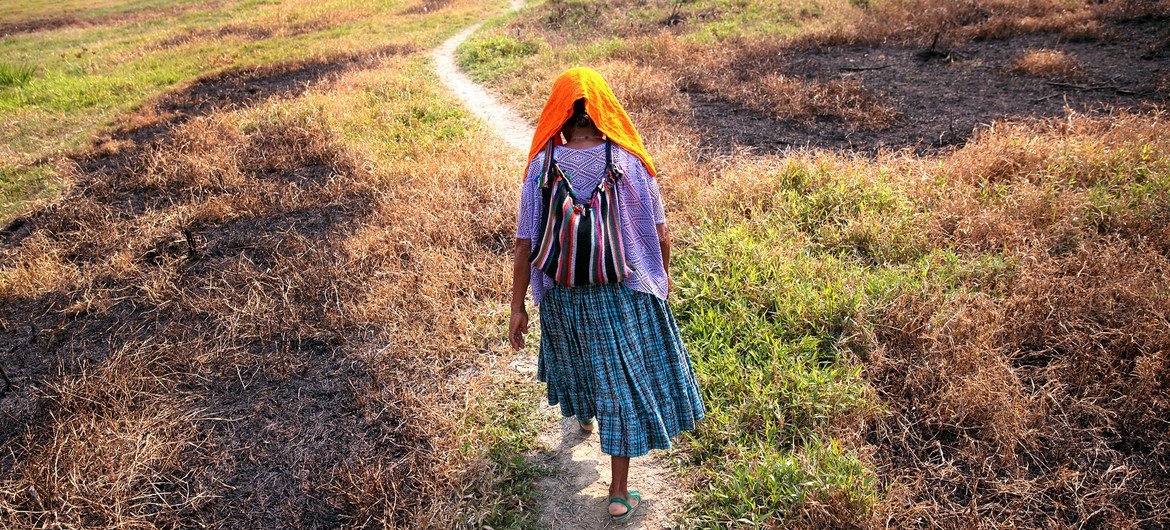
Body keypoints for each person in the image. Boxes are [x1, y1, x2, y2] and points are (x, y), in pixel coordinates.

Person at [507, 66, 705, 523]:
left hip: (564, 293)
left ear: (558, 112)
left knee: (580, 362)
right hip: (623, 290)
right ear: (604, 109)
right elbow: (661, 233)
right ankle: (618, 492)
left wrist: (518, 307)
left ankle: (584, 417)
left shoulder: (542, 165)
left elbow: (524, 243)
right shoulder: (630, 161)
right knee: (622, 385)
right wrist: (661, 279)